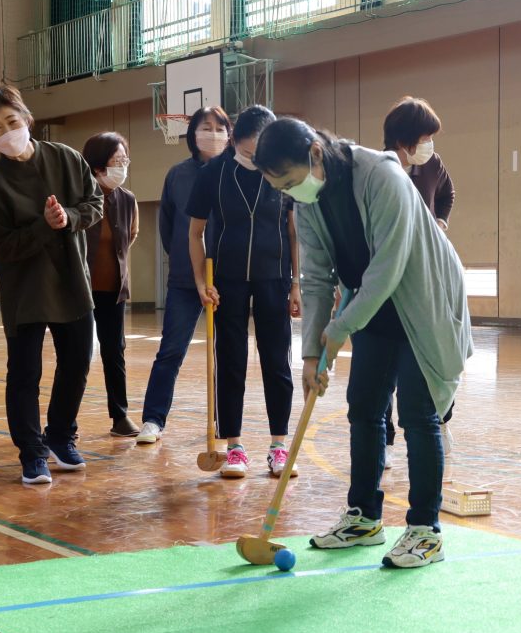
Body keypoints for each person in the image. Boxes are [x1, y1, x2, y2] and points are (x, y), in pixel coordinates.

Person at [253, 118, 472, 569]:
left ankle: (425, 531)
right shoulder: (308, 202)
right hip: (374, 305)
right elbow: (315, 278)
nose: (292, 193)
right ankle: (364, 517)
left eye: (292, 182)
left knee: (418, 410)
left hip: (423, 300)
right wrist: (311, 353)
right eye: (283, 189)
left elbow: (388, 268)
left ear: (315, 152)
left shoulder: (382, 177)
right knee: (365, 406)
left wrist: (339, 329)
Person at [0, 86, 103, 484]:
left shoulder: (66, 158)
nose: (7, 132)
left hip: (71, 281)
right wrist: (44, 227)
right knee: (25, 373)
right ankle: (32, 453)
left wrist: (69, 217)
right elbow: (2, 245)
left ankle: (61, 436)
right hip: (24, 289)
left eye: (12, 122)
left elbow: (94, 204)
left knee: (77, 363)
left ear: (27, 119)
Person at [186, 106, 301, 478]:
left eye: (263, 150)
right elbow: (194, 233)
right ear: (235, 141)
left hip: (274, 278)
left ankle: (279, 446)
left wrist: (297, 282)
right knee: (231, 360)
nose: (258, 158)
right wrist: (202, 283)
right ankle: (234, 447)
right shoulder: (213, 174)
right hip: (228, 281)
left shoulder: (281, 171)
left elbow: (294, 230)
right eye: (251, 151)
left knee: (277, 361)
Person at [135, 108, 232, 444]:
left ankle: (226, 421)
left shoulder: (235, 172)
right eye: (207, 127)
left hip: (228, 279)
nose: (214, 133)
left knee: (228, 353)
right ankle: (153, 418)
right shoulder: (178, 175)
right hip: (185, 281)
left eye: (221, 127)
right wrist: (187, 265)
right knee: (171, 350)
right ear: (192, 134)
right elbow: (167, 226)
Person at [381, 96, 456, 469]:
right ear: (405, 140)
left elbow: (447, 195)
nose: (429, 144)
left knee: (433, 355)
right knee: (389, 365)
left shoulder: (433, 164)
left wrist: (440, 222)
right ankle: (387, 441)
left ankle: (439, 421)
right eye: (424, 137)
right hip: (393, 279)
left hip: (428, 273)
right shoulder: (381, 171)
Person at [81, 132, 140, 438]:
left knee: (114, 352)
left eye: (124, 160)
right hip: (80, 289)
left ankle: (120, 416)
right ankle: (65, 424)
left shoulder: (127, 200)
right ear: (97, 166)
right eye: (116, 161)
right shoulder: (78, 196)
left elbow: (129, 237)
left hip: (114, 291)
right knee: (76, 355)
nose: (122, 166)